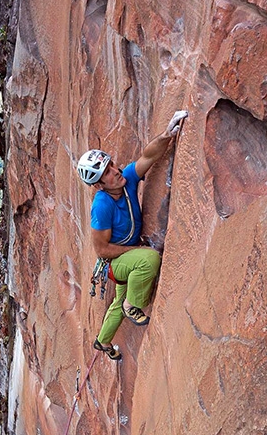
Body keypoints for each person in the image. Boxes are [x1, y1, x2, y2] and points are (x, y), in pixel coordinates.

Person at [77, 110, 188, 360]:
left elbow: (148, 156)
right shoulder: (102, 206)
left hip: (124, 259)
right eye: (106, 173)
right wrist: (138, 251)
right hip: (115, 261)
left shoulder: (126, 179)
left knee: (117, 303)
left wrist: (167, 134)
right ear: (98, 184)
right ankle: (133, 305)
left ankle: (102, 342)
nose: (115, 171)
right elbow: (102, 250)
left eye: (111, 165)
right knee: (148, 260)